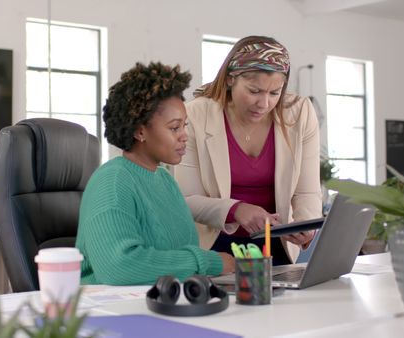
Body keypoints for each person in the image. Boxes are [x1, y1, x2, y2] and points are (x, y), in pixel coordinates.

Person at [75, 62, 236, 285]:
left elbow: (180, 253)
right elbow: (119, 268)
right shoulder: (111, 182)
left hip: (161, 300)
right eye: (174, 127)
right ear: (140, 131)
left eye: (185, 126)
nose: (184, 136)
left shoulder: (165, 180)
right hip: (109, 311)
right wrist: (211, 262)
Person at [174, 36, 322, 265]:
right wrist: (236, 210)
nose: (264, 103)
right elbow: (187, 199)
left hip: (276, 243)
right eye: (254, 91)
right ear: (231, 79)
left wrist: (304, 224)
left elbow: (307, 192)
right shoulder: (195, 115)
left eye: (275, 93)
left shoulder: (300, 113)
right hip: (214, 245)